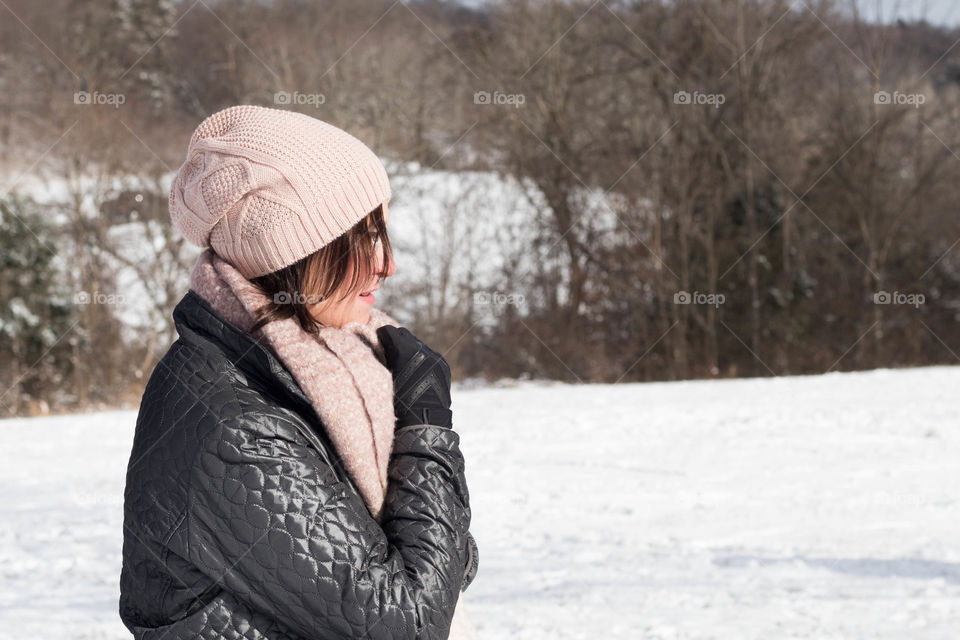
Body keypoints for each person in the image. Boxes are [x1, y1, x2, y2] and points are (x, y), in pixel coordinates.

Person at [118, 105, 479, 639]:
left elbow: (451, 566)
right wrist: (425, 431)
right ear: (290, 254)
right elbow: (412, 621)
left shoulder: (330, 364)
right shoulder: (237, 425)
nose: (387, 264)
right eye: (362, 238)